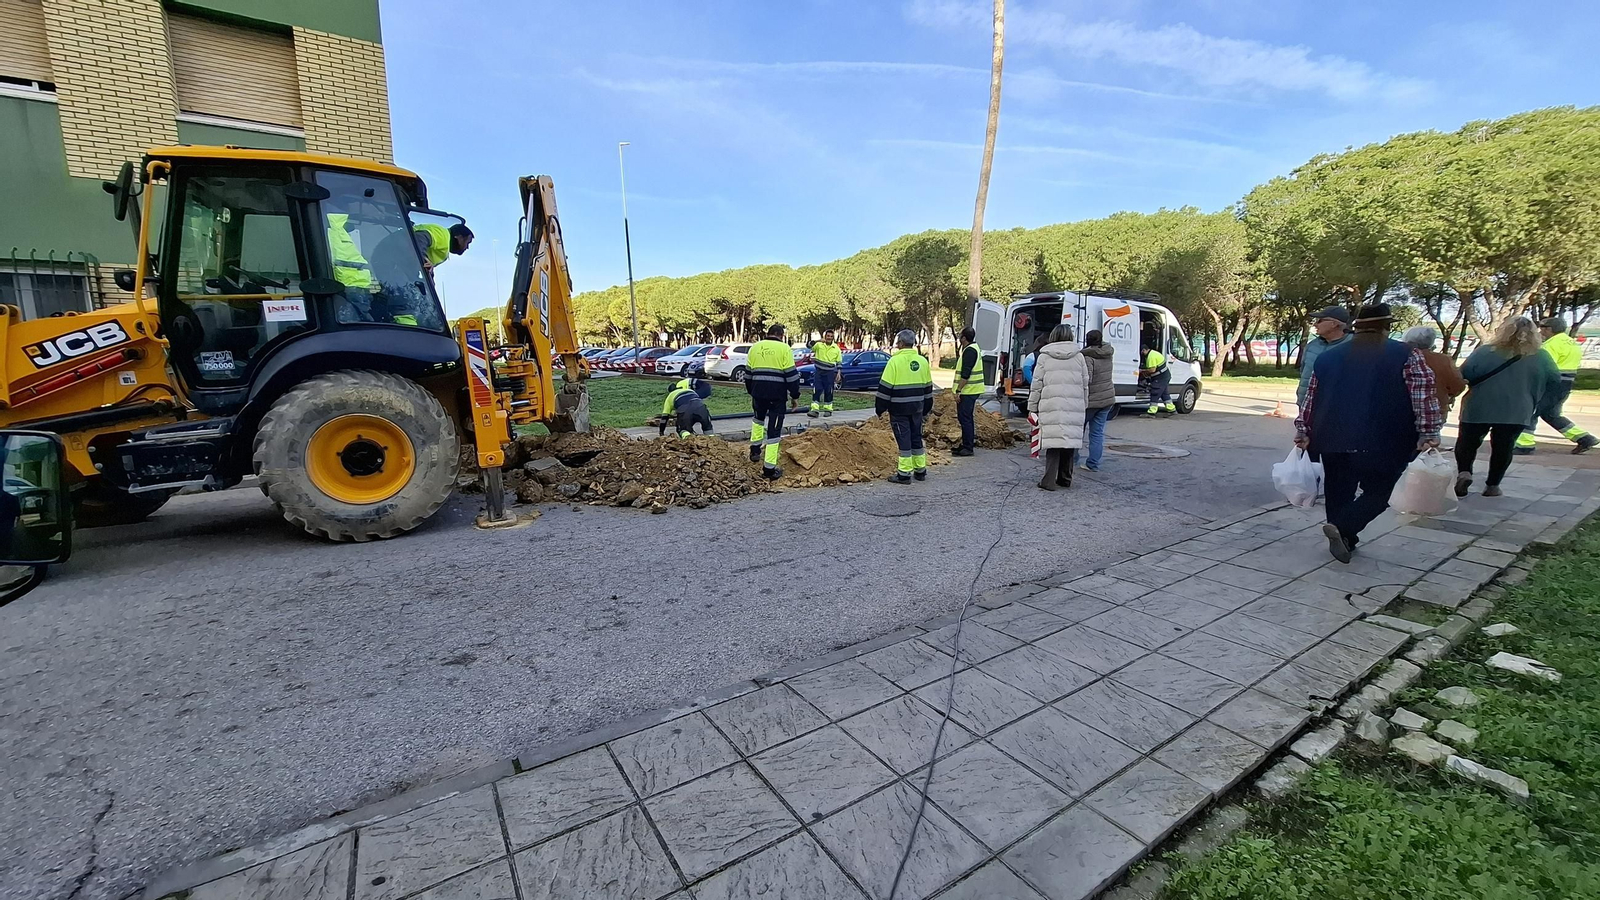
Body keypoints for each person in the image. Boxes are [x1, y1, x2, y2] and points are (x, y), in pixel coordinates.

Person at [1295, 303, 1440, 563]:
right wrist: (1428, 432)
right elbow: (1422, 396)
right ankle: (1346, 529)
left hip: (1332, 437)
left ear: (1356, 326)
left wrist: (1303, 429)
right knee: (1381, 492)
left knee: (1339, 490)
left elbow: (1311, 398)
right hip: (1386, 439)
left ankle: (1342, 535)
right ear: (1387, 327)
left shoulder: (1327, 357)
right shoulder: (1407, 354)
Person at [1454, 317, 1561, 498]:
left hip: (1479, 405)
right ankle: (1492, 486)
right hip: (1518, 409)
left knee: (1467, 442)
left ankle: (1464, 472)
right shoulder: (1542, 356)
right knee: (1504, 447)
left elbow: (1463, 374)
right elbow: (1555, 381)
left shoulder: (1484, 352)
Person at [1514, 316, 1597, 455]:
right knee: (1551, 415)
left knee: (1530, 412)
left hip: (1551, 384)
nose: (1540, 331)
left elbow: (1543, 367)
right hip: (1565, 384)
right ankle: (1585, 438)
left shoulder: (1550, 345)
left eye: (1543, 328)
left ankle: (1524, 445)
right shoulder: (1571, 342)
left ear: (1550, 329)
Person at [1027, 324, 1089, 490]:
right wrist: (1084, 403)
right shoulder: (1079, 356)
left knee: (1053, 443)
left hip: (1051, 403)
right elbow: (1085, 383)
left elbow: (1037, 384)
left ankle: (1048, 481)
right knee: (1068, 442)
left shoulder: (1044, 356)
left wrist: (1032, 407)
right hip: (1074, 403)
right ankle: (1065, 478)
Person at [877, 330, 934, 483]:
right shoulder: (922, 361)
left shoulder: (894, 362)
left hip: (899, 409)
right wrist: (927, 408)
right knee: (916, 437)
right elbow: (928, 388)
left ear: (900, 343)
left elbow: (885, 388)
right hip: (918, 408)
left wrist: (880, 408)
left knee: (904, 441)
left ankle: (904, 474)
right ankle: (920, 470)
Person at [745, 324, 801, 480]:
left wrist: (752, 391)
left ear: (768, 334)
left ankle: (755, 452)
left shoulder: (754, 348)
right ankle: (769, 469)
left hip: (758, 394)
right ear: (781, 335)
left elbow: (748, 374)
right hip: (777, 396)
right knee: (774, 431)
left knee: (757, 421)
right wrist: (794, 396)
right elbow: (791, 375)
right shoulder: (784, 349)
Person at [1401, 326, 1467, 417]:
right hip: (1435, 411)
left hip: (1401, 410)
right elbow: (1457, 385)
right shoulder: (1443, 360)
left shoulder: (1399, 358)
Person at [1298, 306, 1353, 411]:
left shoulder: (1354, 346)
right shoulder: (1312, 345)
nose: (1315, 324)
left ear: (1334, 324)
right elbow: (1303, 371)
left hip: (1337, 409)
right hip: (1306, 406)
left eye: (1320, 321)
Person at [1080, 330, 1115, 472]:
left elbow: (1087, 379)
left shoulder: (1088, 357)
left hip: (1091, 400)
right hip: (1107, 398)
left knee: (1078, 431)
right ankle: (1093, 464)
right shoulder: (1107, 353)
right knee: (1097, 433)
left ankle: (1072, 460)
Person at [952, 326, 985, 457]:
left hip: (968, 390)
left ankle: (968, 447)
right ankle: (966, 444)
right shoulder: (972, 348)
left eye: (960, 336)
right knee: (965, 418)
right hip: (970, 390)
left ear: (964, 338)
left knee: (965, 419)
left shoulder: (970, 351)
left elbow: (965, 374)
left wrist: (958, 390)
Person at [808, 328, 843, 418]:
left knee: (829, 390)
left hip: (829, 372)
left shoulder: (836, 349)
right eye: (828, 336)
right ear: (825, 336)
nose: (829, 338)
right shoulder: (819, 345)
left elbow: (839, 362)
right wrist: (818, 340)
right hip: (819, 371)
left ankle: (828, 410)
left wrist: (838, 373)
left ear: (833, 338)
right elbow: (808, 345)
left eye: (831, 336)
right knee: (817, 389)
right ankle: (815, 410)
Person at [1138, 341, 1175, 416]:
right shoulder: (1153, 353)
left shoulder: (1151, 356)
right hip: (1164, 376)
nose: (1142, 354)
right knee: (1164, 394)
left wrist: (1142, 371)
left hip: (1160, 377)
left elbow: (1152, 370)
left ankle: (1152, 412)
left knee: (1155, 392)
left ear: (1144, 350)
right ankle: (1172, 409)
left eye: (1142, 352)